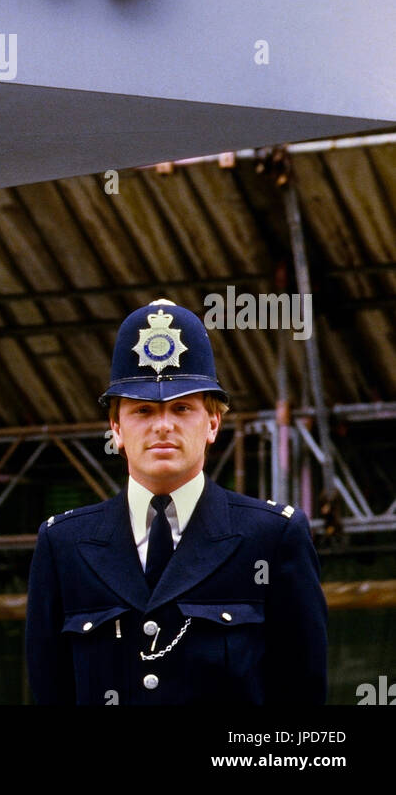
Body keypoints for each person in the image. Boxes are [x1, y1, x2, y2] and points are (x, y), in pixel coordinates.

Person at [25, 299, 328, 705]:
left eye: (182, 408)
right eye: (143, 410)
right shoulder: (63, 544)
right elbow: (50, 689)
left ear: (213, 423)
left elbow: (301, 693)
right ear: (116, 428)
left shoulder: (271, 539)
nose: (163, 425)